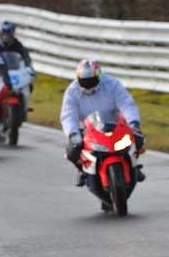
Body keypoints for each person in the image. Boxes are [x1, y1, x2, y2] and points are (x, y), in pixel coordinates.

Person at [60, 59, 146, 187]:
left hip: (115, 124)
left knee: (138, 138)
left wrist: (134, 123)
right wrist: (73, 133)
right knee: (72, 150)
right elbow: (68, 115)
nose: (88, 84)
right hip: (89, 129)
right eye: (84, 81)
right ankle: (83, 170)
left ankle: (133, 165)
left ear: (99, 75)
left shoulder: (112, 84)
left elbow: (126, 104)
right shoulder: (72, 91)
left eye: (91, 80)